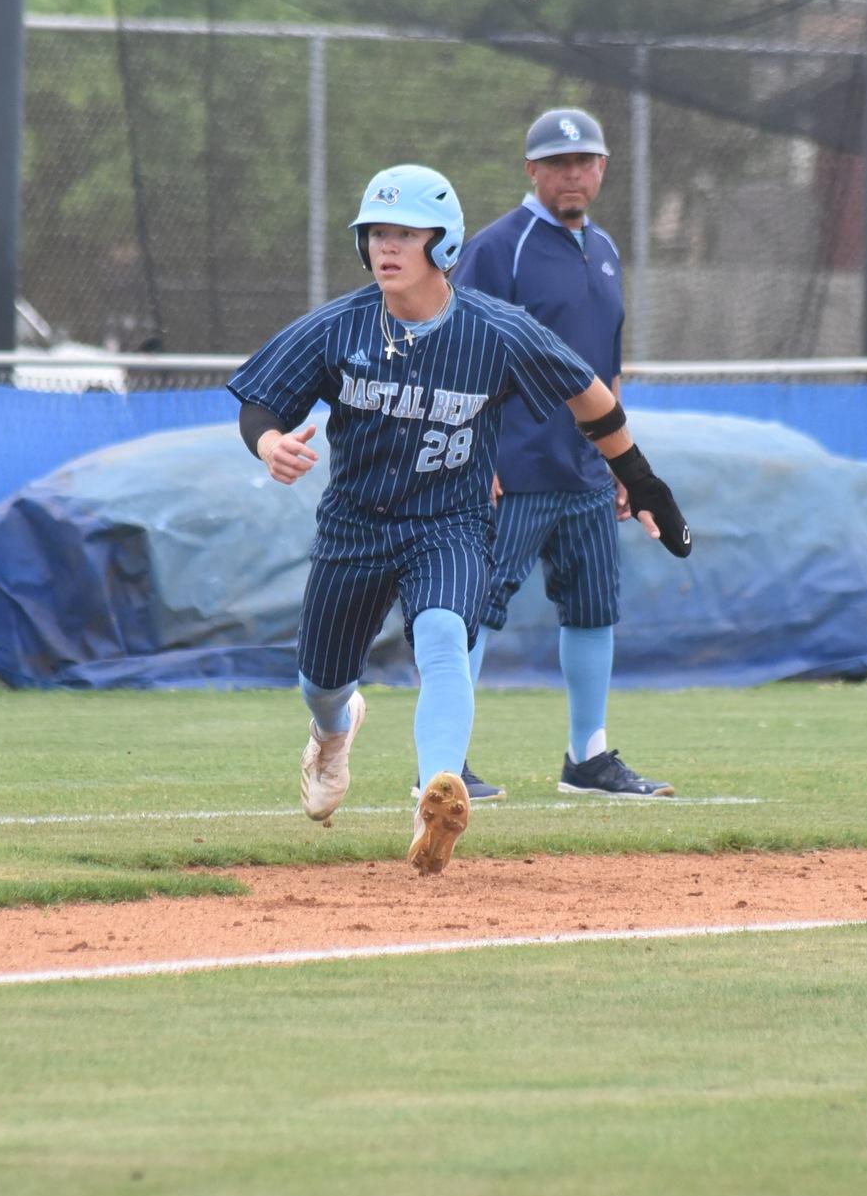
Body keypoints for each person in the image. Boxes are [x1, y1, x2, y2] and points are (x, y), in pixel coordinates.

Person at [228, 164, 691, 876]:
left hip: (450, 521)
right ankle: (332, 730)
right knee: (322, 679)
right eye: (376, 233)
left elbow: (588, 394)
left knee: (442, 636)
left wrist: (641, 479)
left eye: (404, 234)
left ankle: (437, 794)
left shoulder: (494, 331)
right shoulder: (341, 325)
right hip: (354, 524)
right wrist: (269, 443)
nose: (385, 247)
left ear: (442, 246)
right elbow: (260, 401)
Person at [451, 108, 676, 799]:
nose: (572, 173)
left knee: (591, 609)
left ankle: (588, 758)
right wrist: (474, 457)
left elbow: (604, 370)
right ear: (532, 170)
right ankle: (444, 760)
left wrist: (621, 465)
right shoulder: (500, 247)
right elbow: (463, 353)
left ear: (602, 169)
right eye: (557, 162)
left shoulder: (602, 248)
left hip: (582, 471)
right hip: (512, 468)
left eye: (584, 161)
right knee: (471, 606)